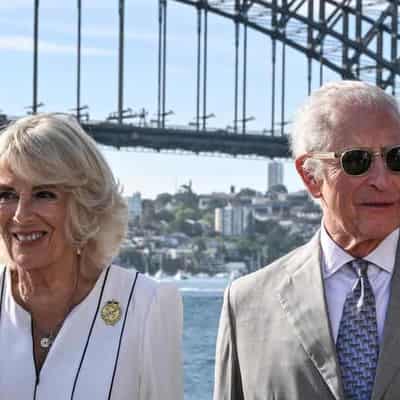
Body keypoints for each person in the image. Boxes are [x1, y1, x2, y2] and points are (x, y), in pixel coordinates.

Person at [213, 80, 400, 400]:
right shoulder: (245, 304)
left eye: (396, 157)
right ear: (310, 176)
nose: (382, 180)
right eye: (357, 161)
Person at [0, 113, 183, 399]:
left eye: (44, 194)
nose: (20, 215)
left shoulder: (145, 306)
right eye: (6, 194)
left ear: (84, 207)